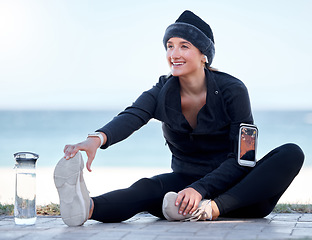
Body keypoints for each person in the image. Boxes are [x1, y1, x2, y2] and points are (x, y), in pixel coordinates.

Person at [53, 10, 304, 227]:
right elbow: (133, 115)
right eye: (170, 45)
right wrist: (97, 139)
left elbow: (244, 158)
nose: (174, 53)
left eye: (184, 46)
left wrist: (201, 190)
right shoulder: (163, 90)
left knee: (292, 153)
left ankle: (210, 210)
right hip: (184, 188)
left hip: (238, 191)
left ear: (204, 54)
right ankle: (86, 207)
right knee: (147, 188)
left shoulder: (233, 90)